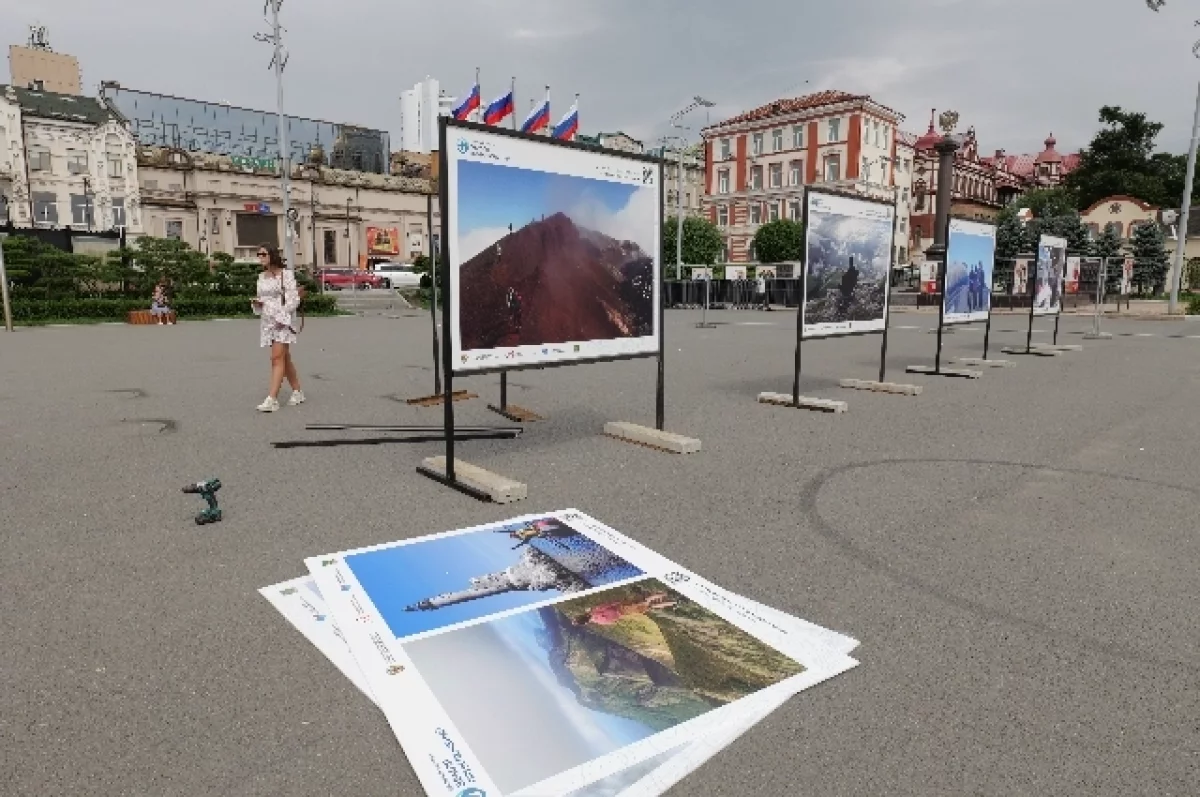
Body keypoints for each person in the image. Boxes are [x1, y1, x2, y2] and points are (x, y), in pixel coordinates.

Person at [250, 245, 305, 412]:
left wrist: (282, 315)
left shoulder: (286, 275)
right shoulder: (261, 276)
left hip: (283, 321)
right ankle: (297, 391)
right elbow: (263, 297)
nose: (260, 257)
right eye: (258, 254)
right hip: (267, 321)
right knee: (284, 358)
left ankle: (272, 399)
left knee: (276, 358)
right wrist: (257, 303)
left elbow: (293, 299)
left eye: (263, 254)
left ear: (272, 255)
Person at [570, 592, 677, 627]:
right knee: (646, 601)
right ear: (581, 616)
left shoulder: (598, 621)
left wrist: (618, 614)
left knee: (649, 606)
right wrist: (618, 603)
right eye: (577, 616)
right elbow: (608, 606)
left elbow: (612, 620)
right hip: (622, 607)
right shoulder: (594, 612)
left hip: (623, 613)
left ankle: (672, 601)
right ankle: (666, 595)